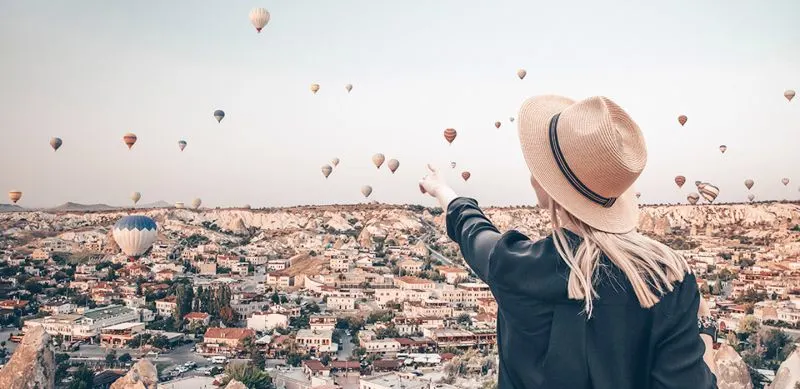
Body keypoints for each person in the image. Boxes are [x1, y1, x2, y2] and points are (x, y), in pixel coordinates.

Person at [419, 95, 718, 389]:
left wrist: (442, 190)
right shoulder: (668, 279)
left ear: (548, 186)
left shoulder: (515, 266)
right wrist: (704, 329)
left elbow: (472, 228)